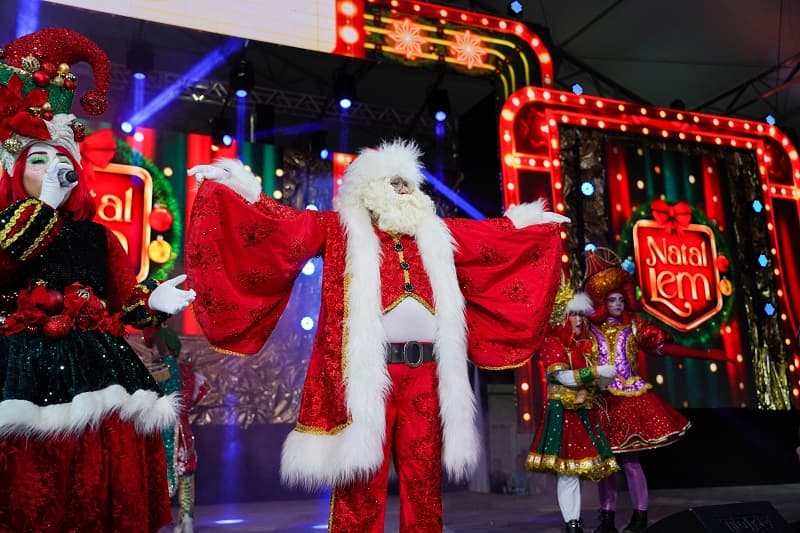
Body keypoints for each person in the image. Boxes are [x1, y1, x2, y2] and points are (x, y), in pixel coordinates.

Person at [185, 139, 568, 532]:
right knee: (360, 479)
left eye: (408, 183)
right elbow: (283, 226)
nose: (404, 190)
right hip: (369, 378)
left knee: (423, 481)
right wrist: (242, 191)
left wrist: (529, 223)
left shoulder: (436, 233)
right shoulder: (338, 230)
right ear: (368, 189)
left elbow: (493, 238)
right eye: (394, 182)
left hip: (427, 376)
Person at [0, 29, 195, 532]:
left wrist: (156, 301)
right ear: (14, 170)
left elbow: (126, 303)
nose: (51, 171)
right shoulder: (8, 223)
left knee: (98, 483)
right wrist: (42, 207)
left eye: (60, 160)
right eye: (37, 161)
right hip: (17, 366)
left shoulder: (99, 236)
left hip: (96, 367)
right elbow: (8, 255)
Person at [582, 248, 691, 533]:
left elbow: (657, 342)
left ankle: (640, 516)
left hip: (630, 399)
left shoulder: (634, 325)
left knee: (631, 462)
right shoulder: (589, 331)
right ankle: (606, 518)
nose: (617, 304)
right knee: (605, 465)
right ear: (603, 302)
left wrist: (676, 348)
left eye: (620, 299)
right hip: (602, 402)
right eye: (611, 299)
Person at [526, 285, 620, 533]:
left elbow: (594, 381)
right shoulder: (553, 342)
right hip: (563, 413)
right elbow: (564, 377)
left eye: (581, 314)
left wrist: (604, 378)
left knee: (584, 471)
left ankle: (583, 520)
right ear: (562, 316)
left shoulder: (584, 346)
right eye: (573, 314)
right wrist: (597, 372)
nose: (579, 320)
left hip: (584, 412)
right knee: (567, 472)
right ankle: (572, 523)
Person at [145, 326, 210, 533]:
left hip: (162, 433)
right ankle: (187, 519)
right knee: (186, 475)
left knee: (156, 476)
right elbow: (195, 396)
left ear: (163, 347)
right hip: (183, 432)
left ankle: (154, 522)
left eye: (154, 347)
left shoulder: (157, 371)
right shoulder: (187, 372)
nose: (153, 351)